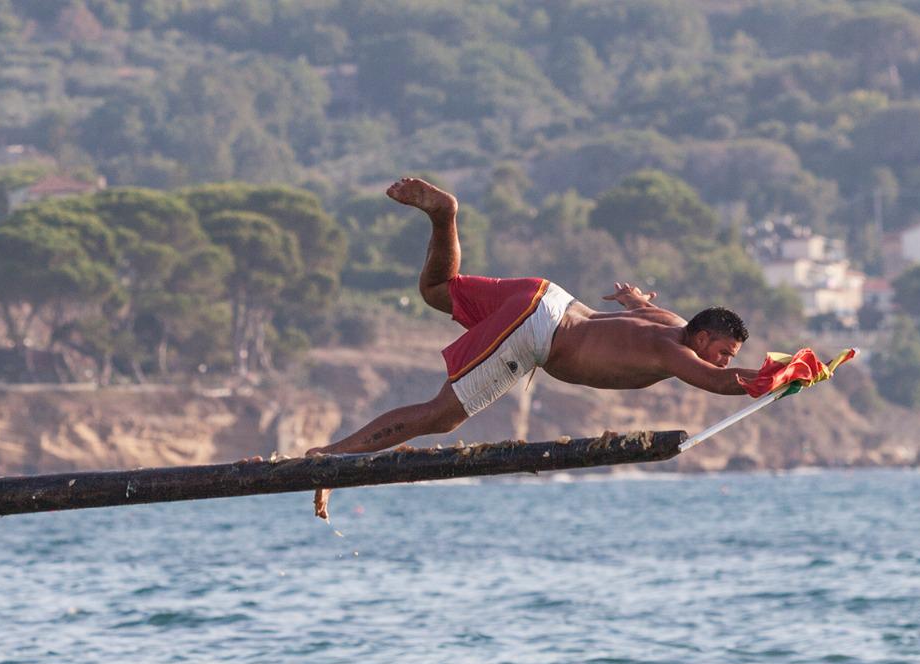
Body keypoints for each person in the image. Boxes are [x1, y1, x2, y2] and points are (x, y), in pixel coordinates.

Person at [308, 177, 759, 517]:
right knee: (440, 416)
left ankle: (444, 215)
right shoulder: (675, 352)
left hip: (548, 296)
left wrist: (633, 298)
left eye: (728, 356)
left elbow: (640, 305)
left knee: (436, 290)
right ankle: (329, 460)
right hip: (537, 331)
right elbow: (720, 382)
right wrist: (787, 375)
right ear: (702, 337)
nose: (722, 360)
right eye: (723, 350)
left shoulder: (672, 322)